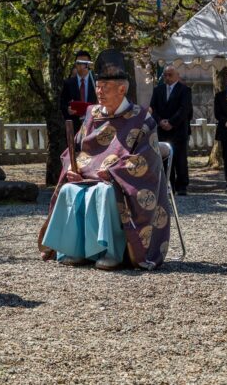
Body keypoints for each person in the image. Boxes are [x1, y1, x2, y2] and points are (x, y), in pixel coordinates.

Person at [39, 50, 170, 270]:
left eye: (105, 88)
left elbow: (146, 160)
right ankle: (75, 249)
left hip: (118, 182)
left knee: (104, 192)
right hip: (88, 175)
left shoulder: (142, 118)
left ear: (122, 89)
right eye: (98, 87)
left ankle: (112, 251)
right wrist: (72, 165)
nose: (99, 92)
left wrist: (114, 173)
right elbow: (76, 148)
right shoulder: (92, 114)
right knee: (69, 190)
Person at [149, 65, 193, 195]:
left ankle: (182, 186)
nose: (167, 78)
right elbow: (153, 108)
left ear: (177, 76)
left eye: (170, 75)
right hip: (162, 129)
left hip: (178, 129)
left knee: (180, 158)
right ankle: (168, 185)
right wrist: (160, 121)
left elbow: (184, 109)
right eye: (165, 75)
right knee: (164, 158)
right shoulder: (158, 90)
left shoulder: (184, 90)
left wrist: (172, 122)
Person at [59, 50, 98, 121]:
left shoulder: (96, 82)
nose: (81, 66)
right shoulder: (68, 83)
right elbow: (62, 103)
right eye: (79, 63)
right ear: (75, 64)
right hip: (75, 123)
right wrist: (68, 110)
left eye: (84, 63)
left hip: (93, 122)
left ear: (89, 65)